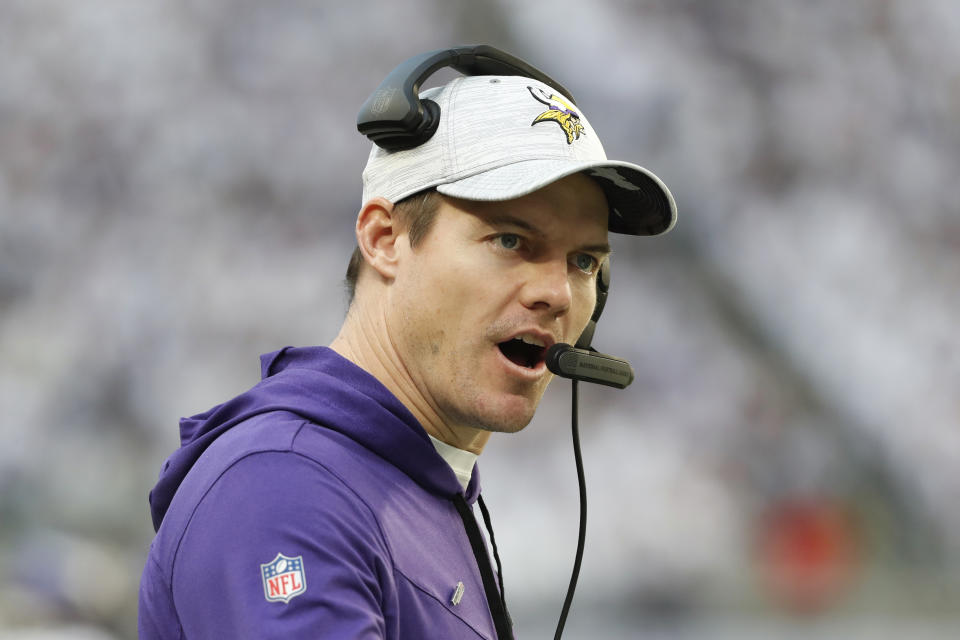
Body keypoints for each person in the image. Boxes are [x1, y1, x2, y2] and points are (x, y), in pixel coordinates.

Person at [138, 49, 676, 639]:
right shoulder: (284, 490)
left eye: (583, 261)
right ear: (384, 238)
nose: (557, 293)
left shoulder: (415, 480)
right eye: (510, 241)